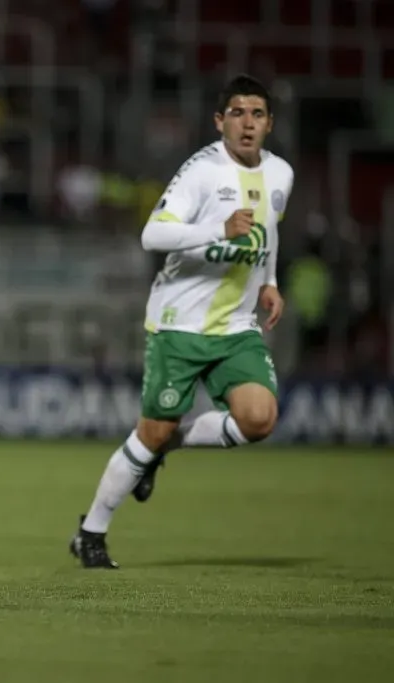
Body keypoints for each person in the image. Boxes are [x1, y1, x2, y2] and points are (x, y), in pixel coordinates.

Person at [70, 75, 294, 568]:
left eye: (257, 114)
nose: (247, 123)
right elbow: (152, 235)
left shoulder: (280, 174)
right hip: (179, 325)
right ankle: (91, 531)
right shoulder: (201, 172)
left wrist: (270, 281)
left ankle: (164, 445)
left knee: (259, 418)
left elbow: (269, 232)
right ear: (220, 121)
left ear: (269, 123)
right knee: (148, 431)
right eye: (237, 112)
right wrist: (218, 227)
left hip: (236, 326)